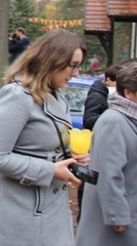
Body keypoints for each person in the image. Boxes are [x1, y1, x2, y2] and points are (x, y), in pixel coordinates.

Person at [0, 29, 90, 246]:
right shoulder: (17, 96)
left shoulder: (58, 95)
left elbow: (48, 147)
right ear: (51, 60)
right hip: (17, 214)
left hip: (50, 210)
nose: (76, 73)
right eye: (72, 65)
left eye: (78, 66)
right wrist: (50, 170)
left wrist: (72, 157)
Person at [76, 64, 137, 246]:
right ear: (128, 93)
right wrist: (117, 216)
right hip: (118, 221)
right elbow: (109, 172)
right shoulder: (114, 121)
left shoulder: (128, 119)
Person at [83, 64, 120, 129]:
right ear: (108, 80)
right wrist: (110, 116)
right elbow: (88, 121)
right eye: (118, 82)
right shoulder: (96, 96)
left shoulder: (112, 93)